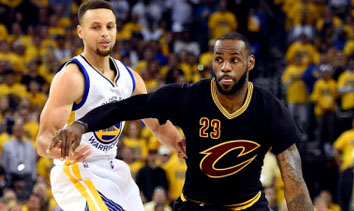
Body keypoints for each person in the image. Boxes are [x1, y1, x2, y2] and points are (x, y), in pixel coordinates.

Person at [52, 32, 313, 210]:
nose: (225, 67)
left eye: (234, 60)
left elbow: (294, 181)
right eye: (219, 59)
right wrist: (80, 125)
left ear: (250, 63)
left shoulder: (269, 108)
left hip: (248, 204)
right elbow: (128, 107)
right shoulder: (191, 96)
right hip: (196, 204)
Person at [36, 1, 184, 211]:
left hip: (113, 168)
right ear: (81, 31)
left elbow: (157, 125)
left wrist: (181, 144)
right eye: (95, 27)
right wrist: (64, 152)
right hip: (76, 169)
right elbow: (43, 140)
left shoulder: (131, 78)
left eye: (109, 26)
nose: (104, 33)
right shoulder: (72, 77)